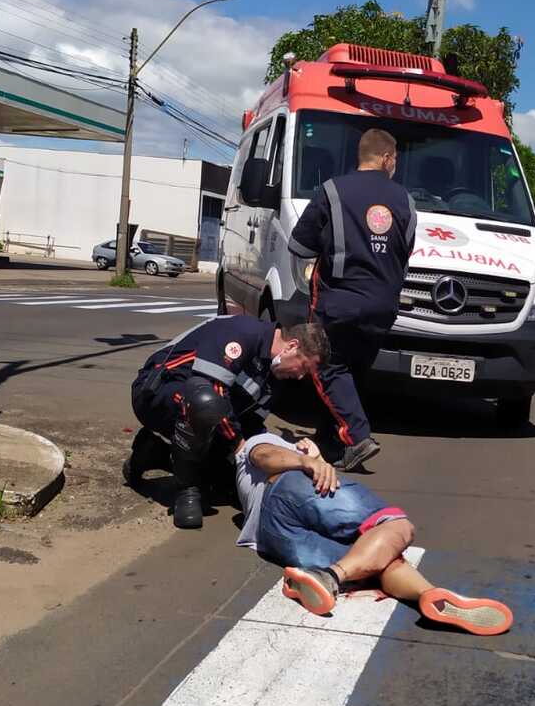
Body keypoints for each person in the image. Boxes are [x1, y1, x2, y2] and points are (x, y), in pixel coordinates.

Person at [234, 431, 513, 636]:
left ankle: (427, 596)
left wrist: (314, 458)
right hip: (286, 489)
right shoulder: (261, 441)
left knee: (374, 562)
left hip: (269, 536)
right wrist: (307, 461)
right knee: (395, 525)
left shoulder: (260, 475)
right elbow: (264, 455)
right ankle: (331, 577)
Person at [288, 128, 416, 471]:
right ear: (386, 158)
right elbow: (405, 251)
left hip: (340, 300)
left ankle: (358, 438)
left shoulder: (332, 190)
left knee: (326, 366)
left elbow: (299, 246)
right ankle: (331, 440)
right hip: (385, 304)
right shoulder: (405, 199)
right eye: (395, 162)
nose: (395, 168)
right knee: (353, 371)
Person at [125, 316, 329, 529]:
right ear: (292, 346)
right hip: (157, 394)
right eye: (303, 367)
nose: (299, 376)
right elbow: (211, 391)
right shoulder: (242, 333)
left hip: (208, 417)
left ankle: (151, 454)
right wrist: (240, 447)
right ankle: (187, 489)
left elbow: (252, 424)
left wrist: (273, 453)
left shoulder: (274, 378)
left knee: (230, 482)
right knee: (204, 403)